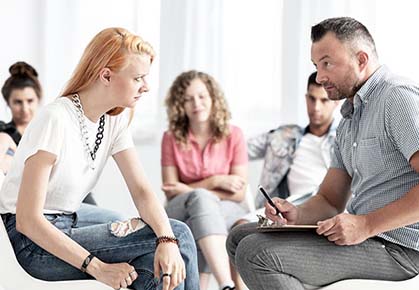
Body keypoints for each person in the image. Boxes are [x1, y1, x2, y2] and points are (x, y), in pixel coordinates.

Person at [227, 17, 419, 290]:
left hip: (402, 248)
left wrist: (365, 224)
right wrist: (297, 213)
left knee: (255, 253)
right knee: (238, 237)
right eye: (316, 66)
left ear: (361, 60)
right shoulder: (349, 119)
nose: (319, 77)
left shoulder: (397, 98)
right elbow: (330, 200)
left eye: (327, 63)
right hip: (368, 238)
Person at [0, 27, 199, 290]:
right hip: (33, 242)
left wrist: (166, 239)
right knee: (180, 234)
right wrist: (98, 267)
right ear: (106, 75)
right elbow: (27, 220)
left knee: (157, 256)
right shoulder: (55, 119)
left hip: (71, 217)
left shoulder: (114, 120)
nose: (146, 87)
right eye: (138, 77)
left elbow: (141, 190)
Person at [161, 70, 248, 290]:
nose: (196, 104)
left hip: (227, 207)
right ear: (180, 104)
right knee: (200, 200)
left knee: (199, 220)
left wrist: (189, 189)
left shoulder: (234, 134)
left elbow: (238, 192)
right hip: (179, 208)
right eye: (188, 99)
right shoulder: (171, 137)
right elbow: (171, 189)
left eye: (201, 96)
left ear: (213, 98)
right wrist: (214, 182)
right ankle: (227, 284)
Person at [238, 71, 338, 225]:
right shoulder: (283, 136)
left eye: (324, 100)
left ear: (336, 102)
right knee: (241, 226)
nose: (316, 107)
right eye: (312, 99)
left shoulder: (345, 139)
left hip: (327, 209)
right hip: (289, 207)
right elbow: (238, 149)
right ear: (306, 99)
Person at [0, 62, 41, 176]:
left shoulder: (48, 133)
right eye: (18, 102)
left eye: (30, 101)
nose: (25, 109)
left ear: (38, 99)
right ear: (8, 103)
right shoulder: (4, 133)